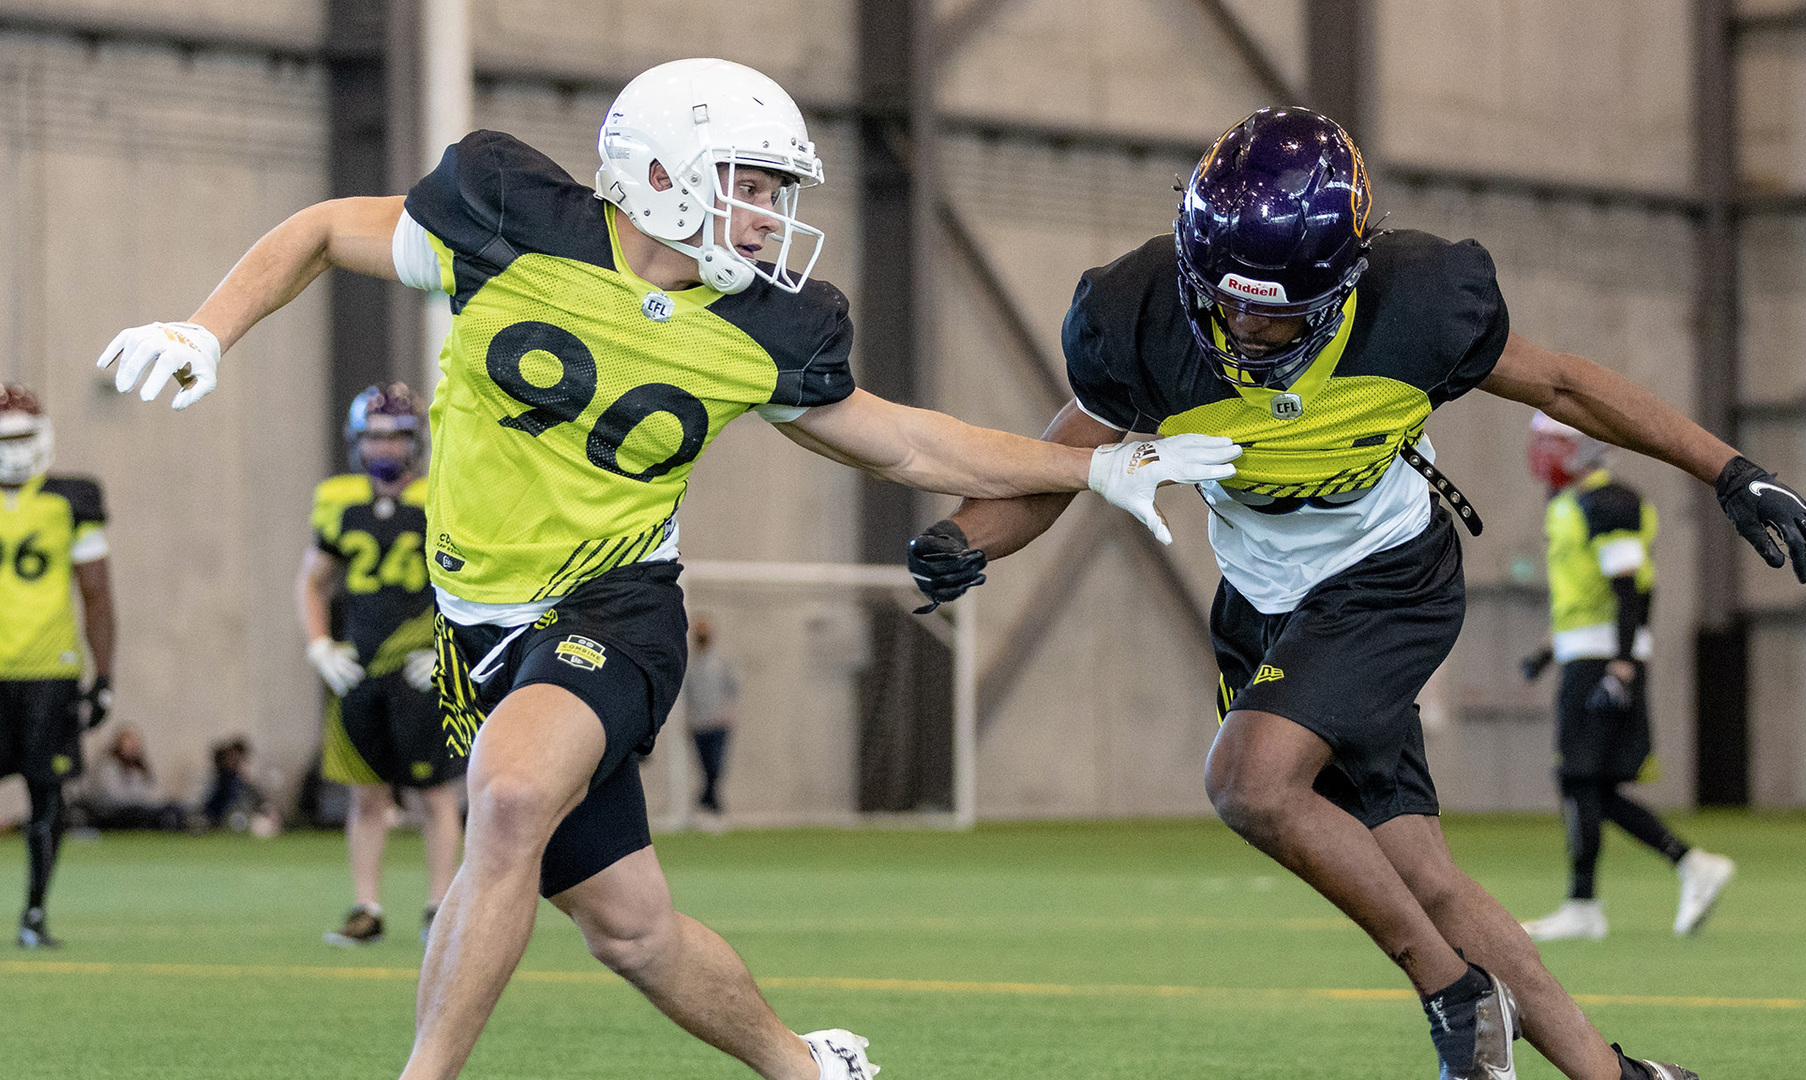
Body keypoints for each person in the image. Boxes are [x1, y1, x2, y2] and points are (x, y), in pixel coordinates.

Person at [94, 56, 1237, 1080]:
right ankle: (806, 1068)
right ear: (655, 171)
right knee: (630, 928)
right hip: (475, 630)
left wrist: (1092, 467)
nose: (771, 214)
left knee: (505, 800)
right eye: (751, 182)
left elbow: (902, 439)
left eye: (779, 190)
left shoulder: (769, 329)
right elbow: (321, 228)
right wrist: (206, 329)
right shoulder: (509, 219)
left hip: (616, 606)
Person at [906, 108, 1806, 1080]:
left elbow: (1562, 385)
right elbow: (1060, 463)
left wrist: (1727, 469)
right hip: (1266, 601)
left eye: (1273, 313)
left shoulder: (1418, 303)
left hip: (1390, 576)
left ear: (1345, 286)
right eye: (1222, 302)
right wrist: (965, 536)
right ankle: (1617, 1077)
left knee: (1249, 781)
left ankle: (1455, 994)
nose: (1241, 330)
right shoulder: (1137, 318)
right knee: (1419, 870)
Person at [1517, 413, 1734, 942]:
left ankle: (1587, 903)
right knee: (1593, 786)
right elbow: (1585, 592)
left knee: (1578, 778)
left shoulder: (1610, 501)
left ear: (1584, 445)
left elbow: (1630, 587)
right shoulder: (1569, 503)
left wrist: (1621, 663)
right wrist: (1550, 651)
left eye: (1554, 442)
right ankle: (1686, 866)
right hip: (1586, 653)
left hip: (1603, 659)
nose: (1544, 453)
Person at [300, 383, 464, 947]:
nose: (384, 446)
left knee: (434, 794)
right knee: (367, 794)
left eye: (394, 435)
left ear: (415, 439)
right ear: (356, 440)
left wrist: (453, 649)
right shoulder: (338, 498)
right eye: (374, 435)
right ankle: (366, 907)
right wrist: (320, 644)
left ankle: (439, 908)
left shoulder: (441, 494)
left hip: (424, 663)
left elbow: (470, 580)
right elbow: (313, 581)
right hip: (362, 663)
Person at [0, 384, 115, 949]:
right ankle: (34, 916)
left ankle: (35, 913)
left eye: (22, 437)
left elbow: (96, 592)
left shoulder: (72, 498)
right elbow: (97, 594)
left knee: (48, 795)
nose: (15, 451)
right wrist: (105, 678)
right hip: (41, 673)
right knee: (46, 797)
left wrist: (105, 673)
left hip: (49, 667)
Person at [74, 725, 187, 831]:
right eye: (128, 744)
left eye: (135, 744)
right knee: (138, 813)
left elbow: (152, 790)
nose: (132, 748)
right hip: (116, 811)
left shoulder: (140, 768)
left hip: (141, 807)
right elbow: (114, 795)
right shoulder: (110, 766)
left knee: (174, 808)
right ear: (119, 745)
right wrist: (138, 798)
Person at [683, 617, 739, 818]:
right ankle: (710, 804)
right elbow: (687, 697)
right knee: (705, 767)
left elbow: (733, 689)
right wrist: (688, 721)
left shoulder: (720, 663)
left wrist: (729, 713)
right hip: (699, 724)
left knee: (716, 766)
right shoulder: (691, 667)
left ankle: (708, 802)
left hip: (718, 723)